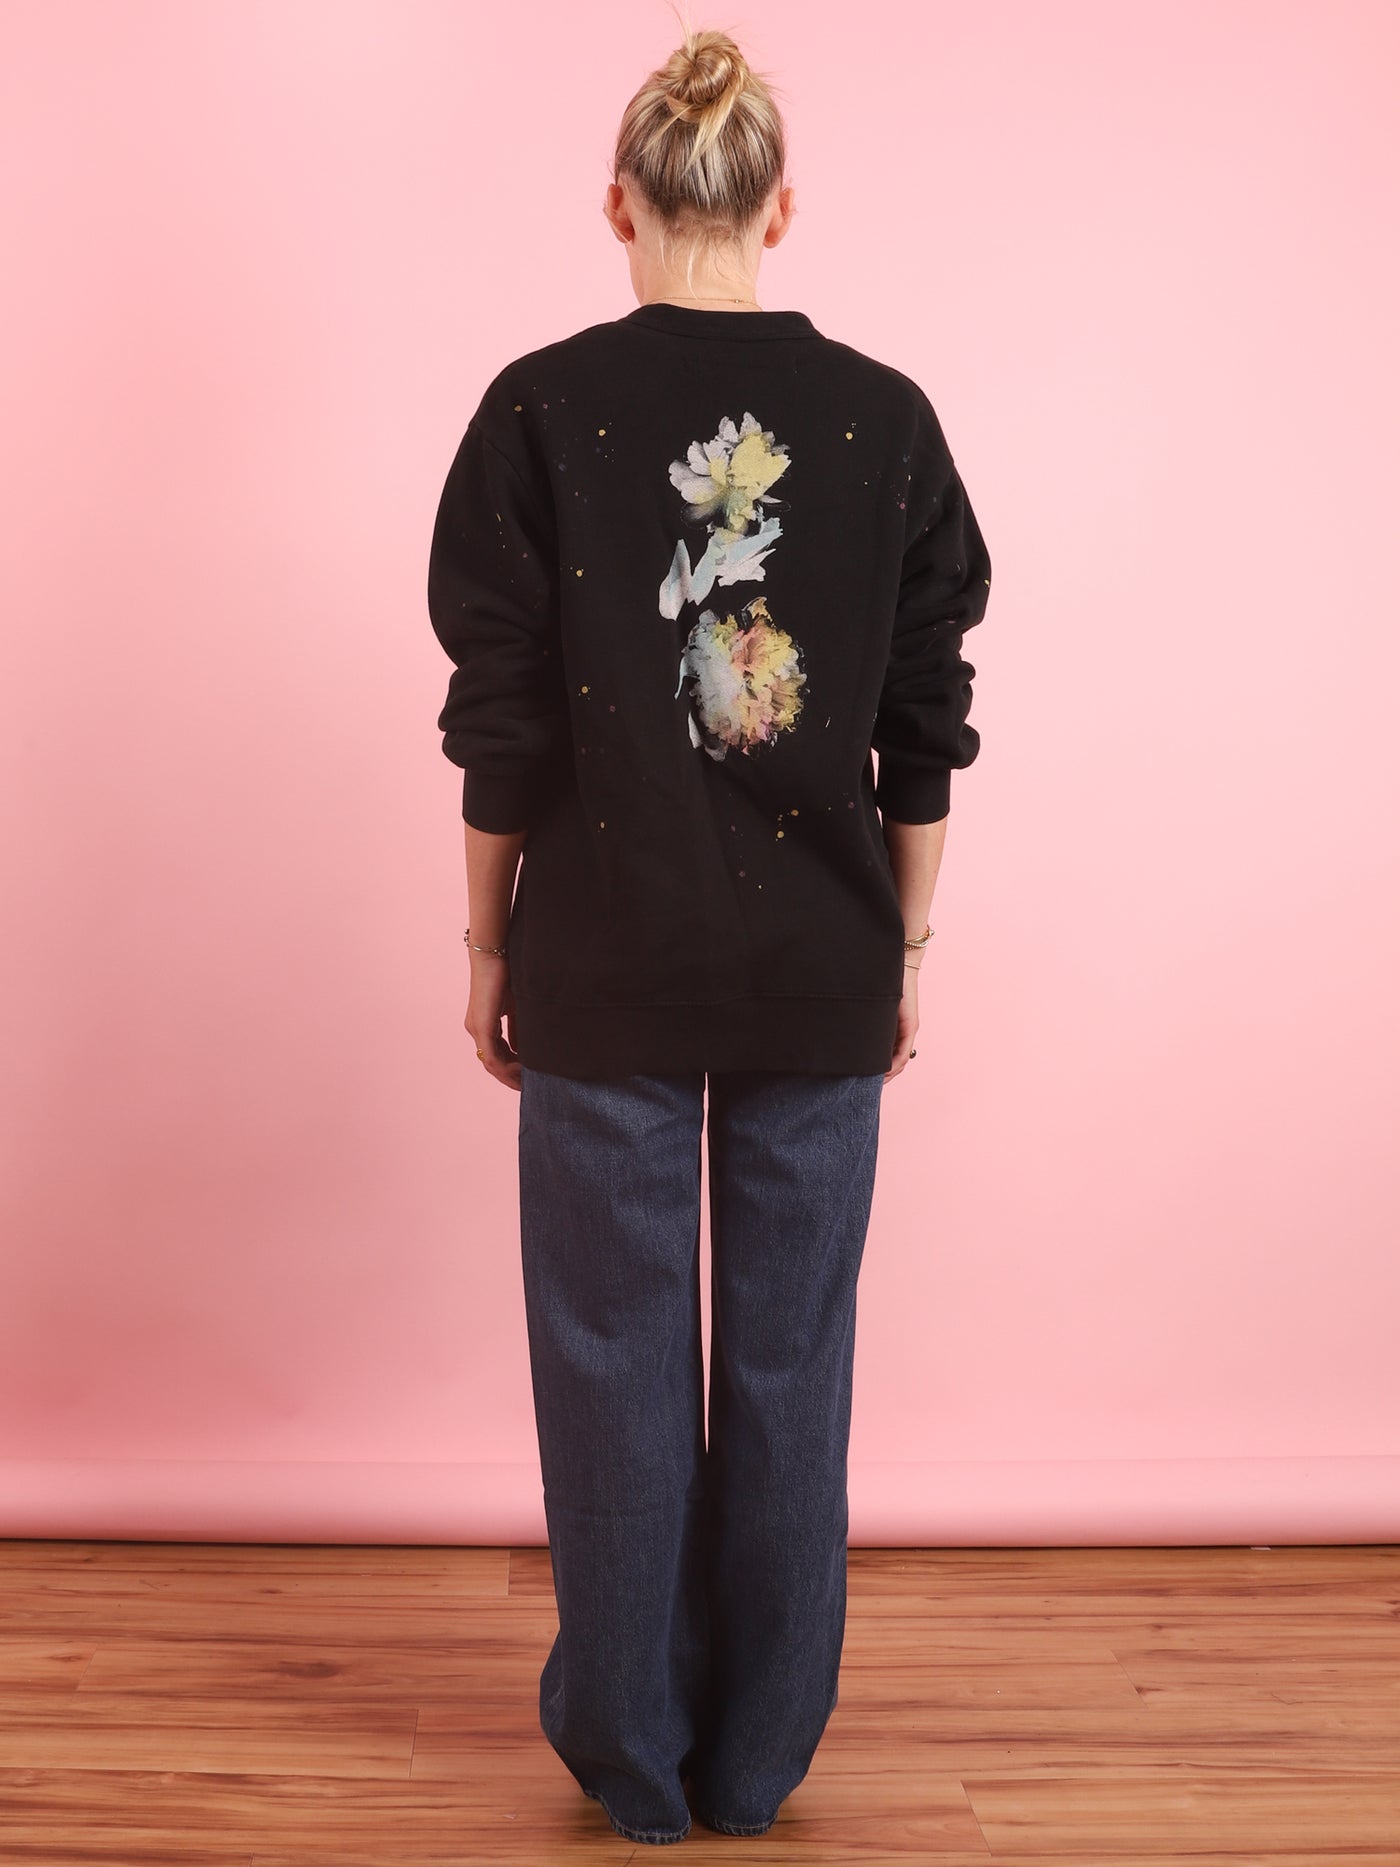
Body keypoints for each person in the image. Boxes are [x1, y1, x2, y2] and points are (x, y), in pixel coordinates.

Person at [426, 21, 992, 1847]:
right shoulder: (887, 422)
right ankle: (760, 1762)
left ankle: (636, 1760)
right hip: (819, 970)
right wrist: (906, 950)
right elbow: (924, 720)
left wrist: (489, 944)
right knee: (790, 1369)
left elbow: (503, 725)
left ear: (619, 204)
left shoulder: (536, 410)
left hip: (600, 961)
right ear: (781, 208)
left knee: (610, 1368)